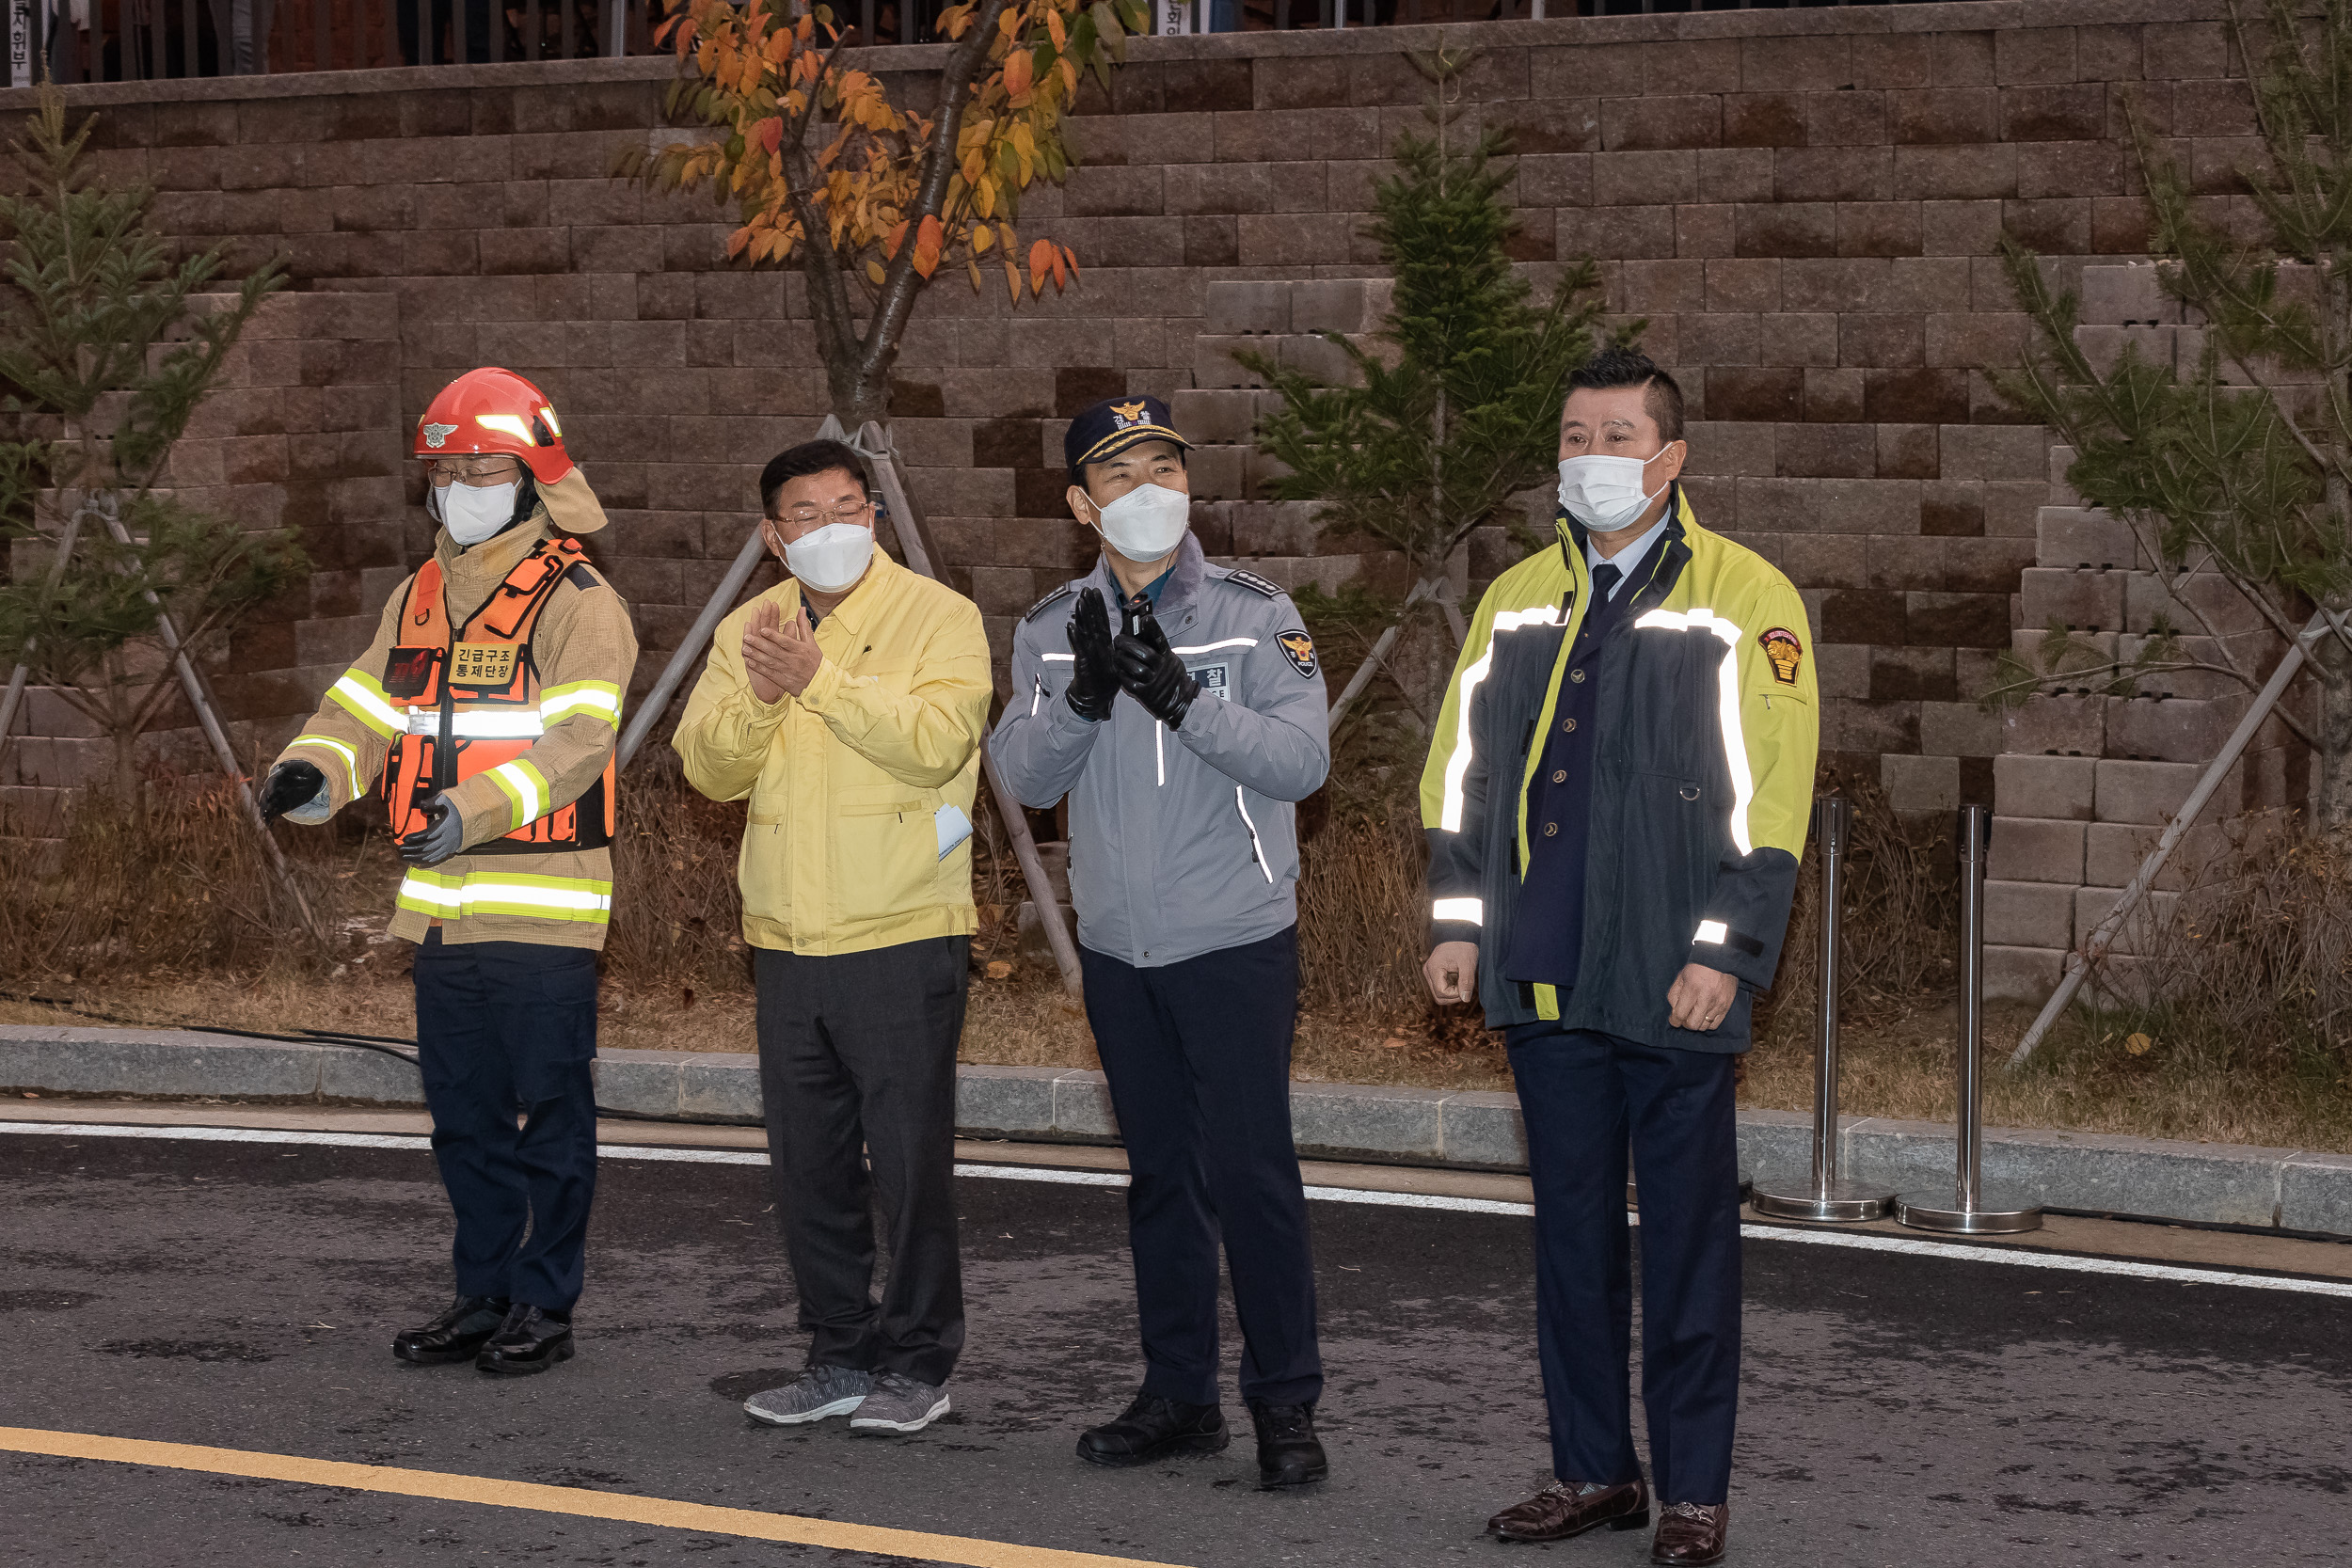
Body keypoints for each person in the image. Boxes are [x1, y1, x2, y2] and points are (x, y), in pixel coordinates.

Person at [1418, 348, 1817, 1566]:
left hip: (1675, 975)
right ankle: (1595, 1468)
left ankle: (1694, 1490)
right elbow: (1462, 769)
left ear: (1671, 456)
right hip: (1544, 970)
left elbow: (1773, 790)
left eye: (1617, 436)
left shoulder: (1750, 596)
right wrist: (1458, 920)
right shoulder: (1518, 595)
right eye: (1575, 437)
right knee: (1571, 1238)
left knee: (1688, 1240)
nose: (1592, 458)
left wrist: (1730, 951)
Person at [257, 366, 636, 1377]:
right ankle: (484, 1292)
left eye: (484, 463)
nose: (461, 481)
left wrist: (463, 811)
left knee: (549, 1119)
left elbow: (578, 744)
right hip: (439, 915)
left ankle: (545, 1303)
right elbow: (365, 713)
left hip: (542, 909)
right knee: (465, 1121)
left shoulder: (579, 598)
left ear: (532, 475)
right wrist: (310, 772)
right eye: (447, 465)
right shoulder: (420, 592)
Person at [989, 395, 1333, 1489]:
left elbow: (1298, 764)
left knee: (1250, 1177)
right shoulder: (1050, 628)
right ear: (1080, 504)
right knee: (1159, 1180)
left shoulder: (1253, 611)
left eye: (1164, 471)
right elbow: (1020, 782)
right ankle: (1177, 1394)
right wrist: (1086, 697)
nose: (1150, 494)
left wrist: (1182, 699)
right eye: (1121, 477)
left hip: (1231, 938)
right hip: (1120, 949)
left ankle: (1285, 1402)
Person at [675, 438, 992, 1437]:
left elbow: (939, 739)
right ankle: (837, 1351)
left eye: (847, 506)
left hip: (900, 927)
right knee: (807, 1164)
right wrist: (766, 694)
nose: (828, 528)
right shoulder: (746, 630)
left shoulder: (940, 616)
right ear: (773, 537)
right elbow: (706, 769)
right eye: (803, 515)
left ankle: (918, 1360)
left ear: (876, 514)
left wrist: (819, 679)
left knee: (908, 1164)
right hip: (787, 934)